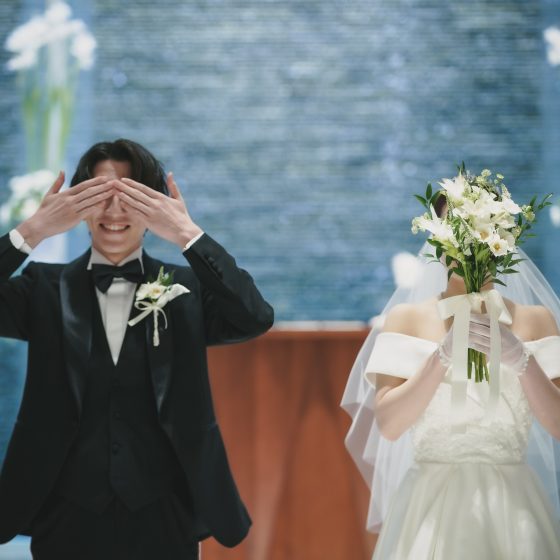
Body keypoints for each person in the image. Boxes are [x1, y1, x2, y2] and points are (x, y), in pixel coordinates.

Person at [0, 139, 274, 560]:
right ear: (78, 206)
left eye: (130, 197)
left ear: (155, 207)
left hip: (167, 511)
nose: (114, 212)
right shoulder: (43, 288)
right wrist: (32, 230)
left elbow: (254, 317)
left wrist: (187, 234)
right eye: (99, 196)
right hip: (64, 511)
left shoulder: (186, 288)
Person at [342, 199, 560, 559]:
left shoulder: (535, 320)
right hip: (430, 507)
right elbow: (390, 426)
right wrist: (440, 358)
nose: (469, 245)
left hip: (513, 508)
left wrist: (523, 360)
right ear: (437, 242)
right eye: (456, 232)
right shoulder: (406, 319)